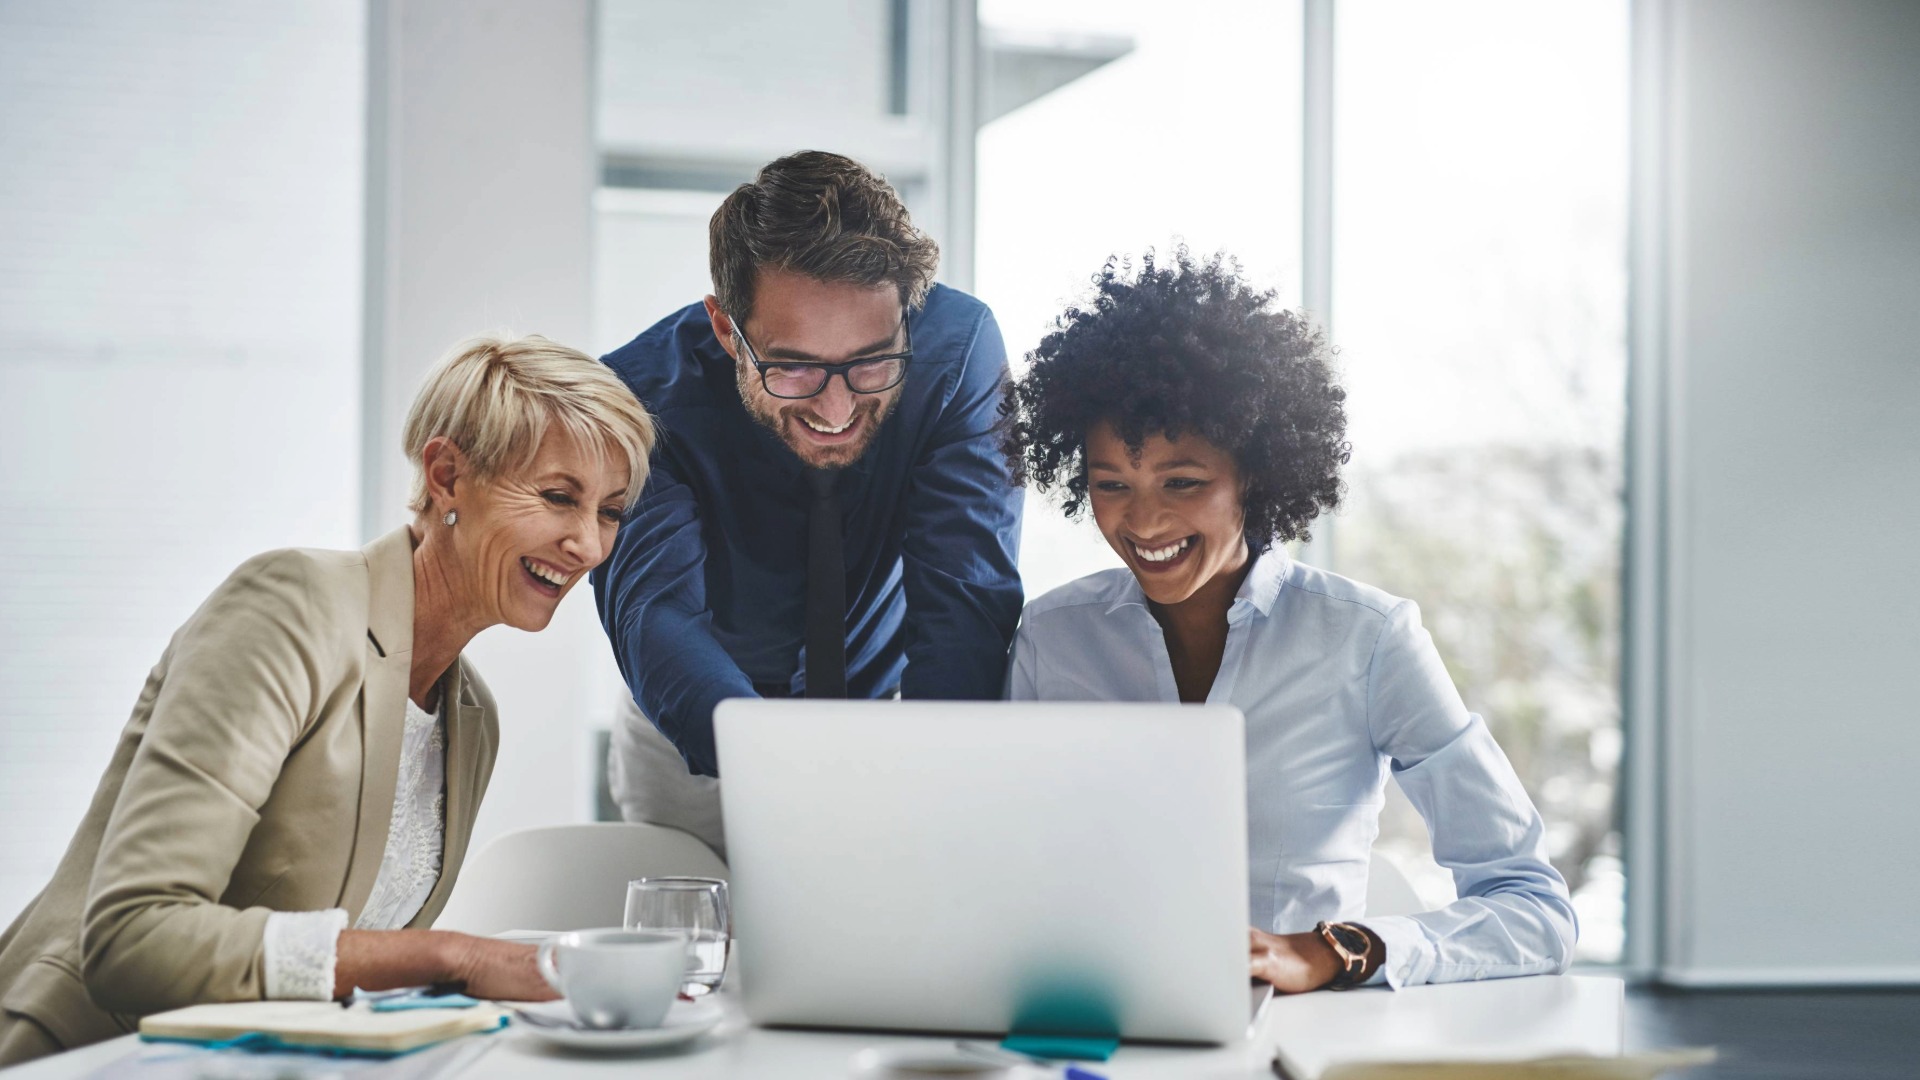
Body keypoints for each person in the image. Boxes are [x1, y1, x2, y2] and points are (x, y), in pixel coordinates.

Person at [0, 335, 656, 1065]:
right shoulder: (292, 607)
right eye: (559, 497)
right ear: (446, 476)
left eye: (610, 512)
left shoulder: (473, 719)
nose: (590, 546)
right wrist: (448, 956)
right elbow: (134, 937)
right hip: (87, 1057)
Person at [1003, 250, 1576, 992]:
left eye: (1183, 482)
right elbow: (1005, 868)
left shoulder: (1367, 641)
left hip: (1296, 1037)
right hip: (1096, 1022)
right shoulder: (1053, 640)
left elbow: (1534, 908)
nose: (1142, 520)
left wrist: (1329, 951)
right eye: (1112, 484)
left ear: (1256, 473)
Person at [595, 151, 1022, 853]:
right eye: (793, 366)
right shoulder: (637, 396)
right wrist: (788, 776)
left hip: (890, 723)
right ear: (726, 328)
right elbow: (656, 612)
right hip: (695, 745)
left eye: (870, 361)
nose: (836, 405)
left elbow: (965, 599)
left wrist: (938, 783)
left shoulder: (957, 352)